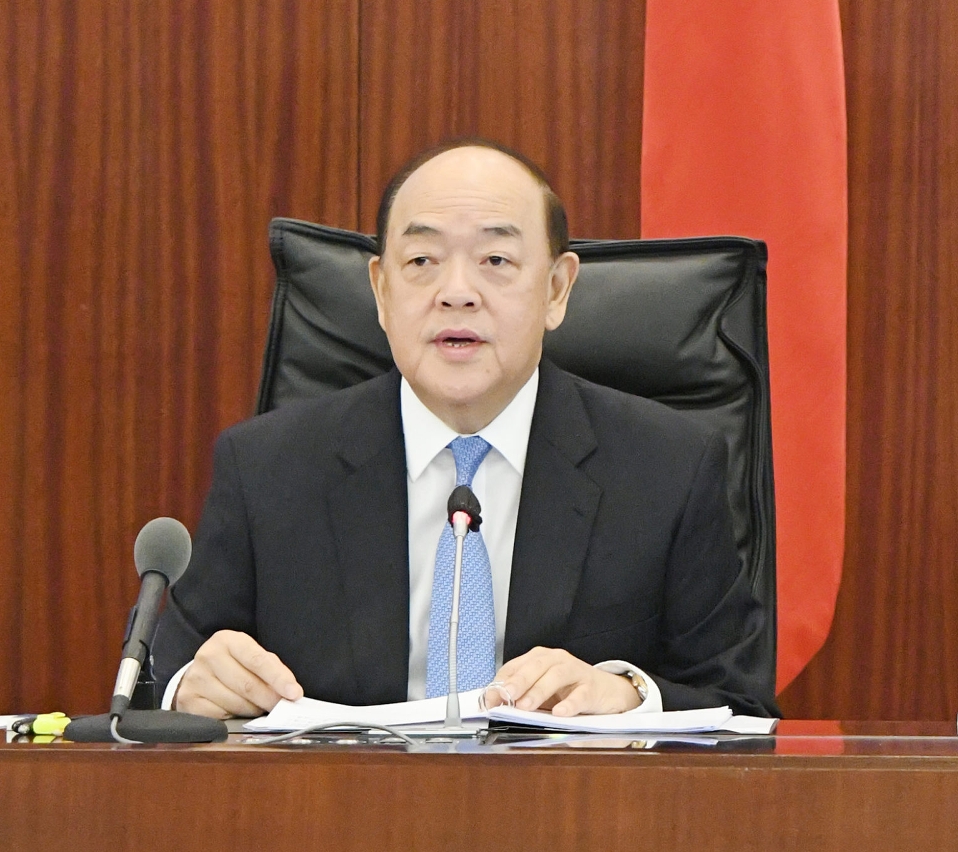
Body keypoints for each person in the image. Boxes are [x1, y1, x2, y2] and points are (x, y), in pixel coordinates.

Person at [152, 139, 777, 719]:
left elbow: (740, 705)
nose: (456, 292)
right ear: (380, 290)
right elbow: (153, 682)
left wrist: (629, 694)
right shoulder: (267, 468)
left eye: (495, 260)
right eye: (422, 260)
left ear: (557, 290)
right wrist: (188, 688)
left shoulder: (668, 467)